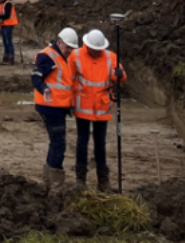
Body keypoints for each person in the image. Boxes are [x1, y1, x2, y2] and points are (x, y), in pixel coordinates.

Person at [69, 28, 127, 192]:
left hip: (102, 107)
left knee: (100, 144)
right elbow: (70, 80)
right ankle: (81, 179)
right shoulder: (76, 56)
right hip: (83, 106)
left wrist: (120, 75)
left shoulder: (111, 57)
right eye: (94, 49)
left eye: (99, 50)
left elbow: (121, 77)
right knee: (82, 142)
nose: (96, 52)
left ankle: (103, 181)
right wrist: (70, 101)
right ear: (87, 46)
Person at [32, 27, 79, 185]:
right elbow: (35, 77)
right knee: (59, 143)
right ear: (59, 43)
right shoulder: (48, 56)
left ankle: (49, 177)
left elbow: (64, 84)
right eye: (68, 47)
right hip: (49, 107)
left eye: (72, 48)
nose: (70, 51)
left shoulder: (62, 56)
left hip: (58, 107)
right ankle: (55, 180)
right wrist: (44, 89)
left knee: (56, 141)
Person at [0, 0, 18, 65]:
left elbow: (7, 15)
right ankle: (6, 57)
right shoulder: (2, 4)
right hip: (4, 25)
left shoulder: (8, 3)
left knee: (9, 42)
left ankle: (11, 58)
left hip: (9, 25)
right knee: (5, 42)